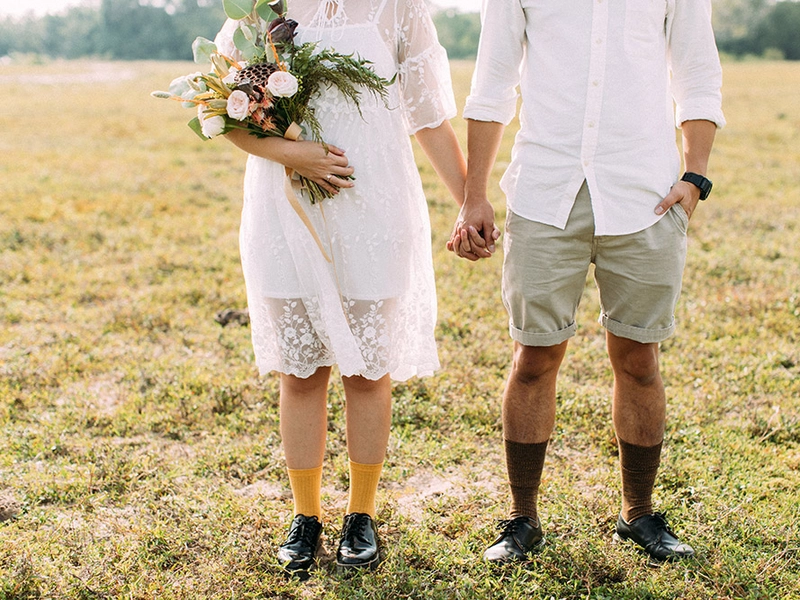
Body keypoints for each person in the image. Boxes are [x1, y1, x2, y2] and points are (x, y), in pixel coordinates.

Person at [449, 0, 725, 563]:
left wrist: (694, 176)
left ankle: (639, 515)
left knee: (639, 358)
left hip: (645, 194)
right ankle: (522, 520)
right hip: (545, 191)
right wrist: (474, 195)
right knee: (533, 358)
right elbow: (492, 83)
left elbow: (696, 74)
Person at [217, 0, 467, 577]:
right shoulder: (262, 8)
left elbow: (428, 117)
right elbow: (222, 113)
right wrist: (292, 154)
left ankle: (362, 515)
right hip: (286, 210)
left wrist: (469, 201)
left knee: (367, 369)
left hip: (373, 206)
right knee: (300, 372)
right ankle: (305, 517)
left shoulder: (401, 8)